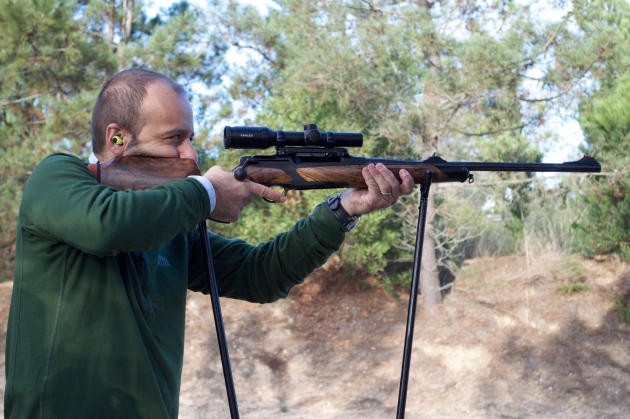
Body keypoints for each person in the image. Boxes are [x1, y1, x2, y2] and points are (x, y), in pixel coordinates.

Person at [5, 69, 414, 419]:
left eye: (191, 137)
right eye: (174, 138)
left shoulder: (173, 228)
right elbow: (105, 225)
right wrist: (207, 194)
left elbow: (260, 276)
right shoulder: (57, 177)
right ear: (116, 139)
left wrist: (344, 209)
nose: (190, 152)